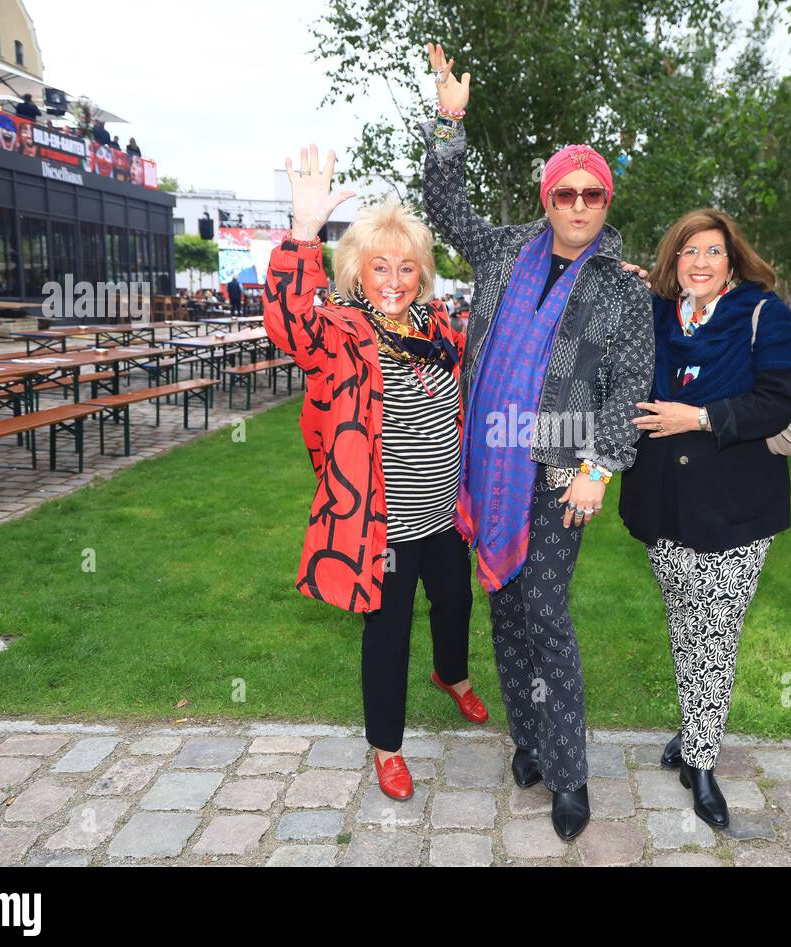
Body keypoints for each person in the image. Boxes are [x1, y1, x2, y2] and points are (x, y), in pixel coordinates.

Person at [421, 43, 654, 841]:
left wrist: (599, 466)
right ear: (547, 196)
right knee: (506, 611)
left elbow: (628, 387)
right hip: (485, 465)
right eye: (567, 192)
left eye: (594, 194)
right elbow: (445, 208)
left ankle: (570, 774)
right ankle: (526, 741)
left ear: (605, 200)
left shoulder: (621, 286)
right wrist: (450, 122)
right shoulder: (502, 253)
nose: (581, 205)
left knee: (547, 613)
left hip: (559, 474)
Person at [261, 144, 488, 802]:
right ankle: (387, 747)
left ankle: (452, 675)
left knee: (455, 602)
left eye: (406, 266)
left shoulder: (440, 324)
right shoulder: (340, 327)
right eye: (378, 265)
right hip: (382, 527)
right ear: (356, 271)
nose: (393, 277)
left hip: (445, 514)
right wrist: (302, 232)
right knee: (387, 634)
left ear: (422, 273)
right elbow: (288, 324)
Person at [619, 209, 791, 829]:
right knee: (685, 621)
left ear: (732, 260)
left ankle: (700, 760)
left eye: (713, 252)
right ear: (672, 260)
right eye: (687, 252)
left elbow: (783, 397)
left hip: (736, 506)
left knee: (715, 631)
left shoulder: (761, 312)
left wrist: (698, 419)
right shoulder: (654, 312)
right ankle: (693, 726)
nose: (700, 262)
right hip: (662, 501)